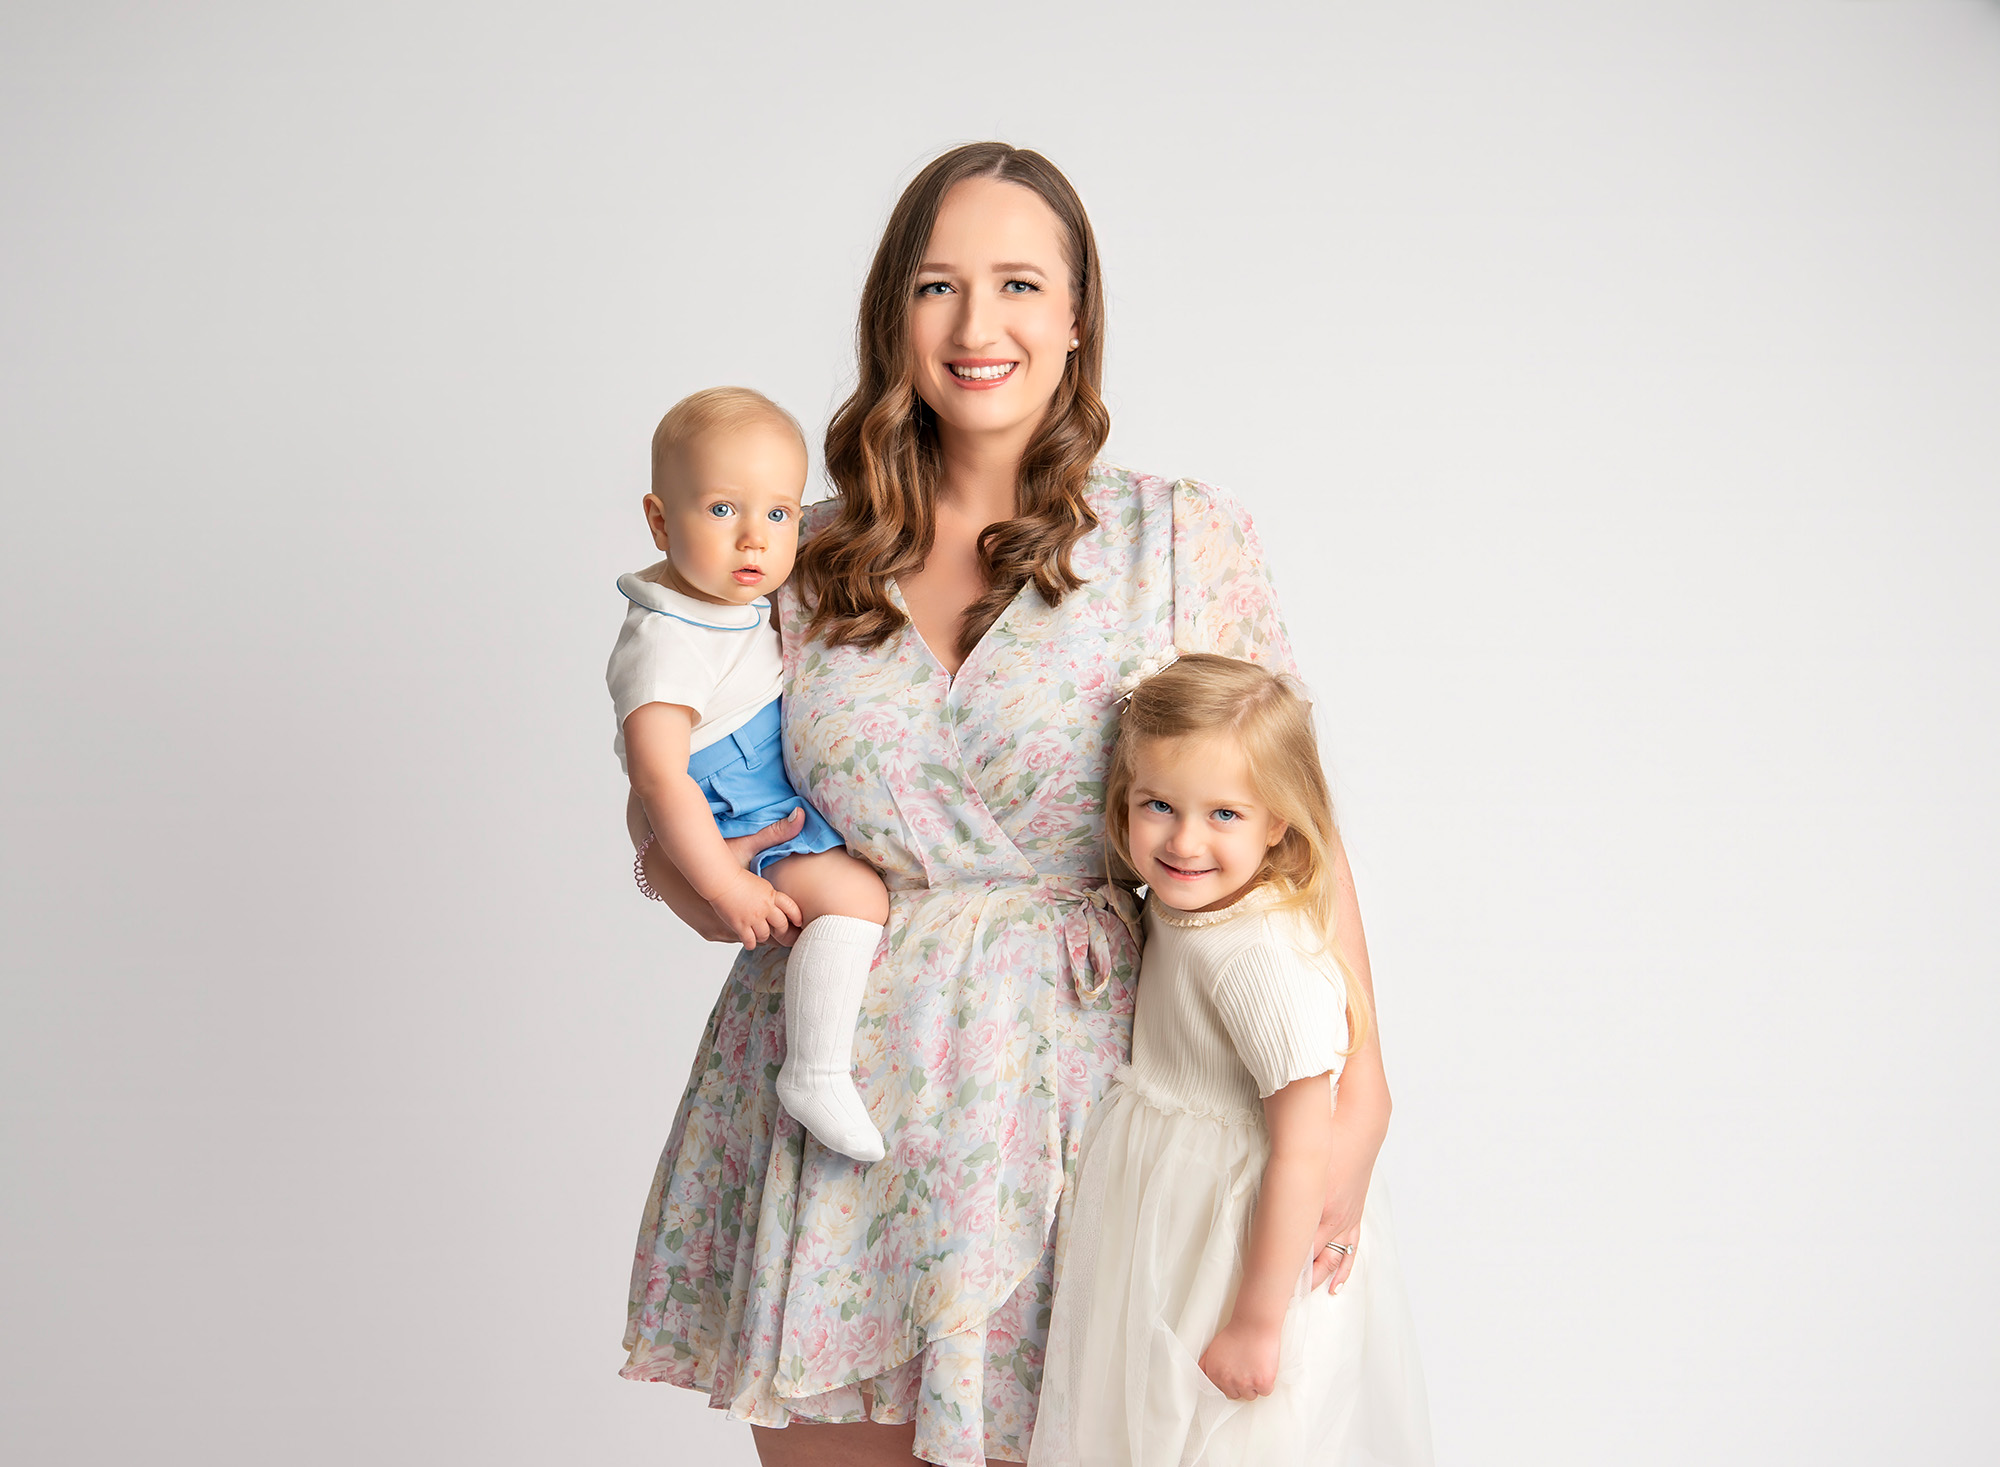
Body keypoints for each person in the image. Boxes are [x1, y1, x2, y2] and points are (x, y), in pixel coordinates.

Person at [619, 142, 1399, 1467]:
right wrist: (683, 864)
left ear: (1078, 314)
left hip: (1087, 1117)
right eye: (938, 287)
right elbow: (688, 779)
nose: (980, 326)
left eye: (1020, 283)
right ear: (892, 316)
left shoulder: (1177, 540)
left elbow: (1291, 836)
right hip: (836, 1115)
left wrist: (1357, 1081)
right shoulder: (789, 555)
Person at [1030, 655, 1431, 1466]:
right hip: (1175, 1208)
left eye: (1224, 813)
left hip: (1244, 1239)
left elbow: (1304, 1144)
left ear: (1278, 821)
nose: (1184, 840)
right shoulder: (1187, 908)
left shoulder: (1257, 956)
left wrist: (1258, 1319)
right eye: (1159, 806)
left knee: (1227, 1435)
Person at [608, 386, 891, 1162]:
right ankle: (816, 1069)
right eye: (724, 510)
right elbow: (659, 779)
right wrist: (722, 884)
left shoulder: (729, 604)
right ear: (661, 521)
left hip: (756, 772)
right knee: (857, 896)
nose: (754, 543)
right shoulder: (666, 637)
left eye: (779, 515)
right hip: (734, 797)